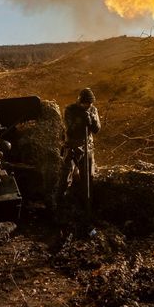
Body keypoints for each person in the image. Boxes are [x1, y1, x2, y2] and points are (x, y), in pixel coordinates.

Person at [59, 88, 101, 217]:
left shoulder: (93, 110)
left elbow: (97, 129)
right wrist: (80, 121)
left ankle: (87, 207)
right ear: (79, 101)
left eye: (90, 104)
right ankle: (61, 206)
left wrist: (92, 120)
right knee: (65, 177)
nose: (88, 106)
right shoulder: (70, 110)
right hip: (71, 147)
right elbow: (69, 131)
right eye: (85, 103)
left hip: (87, 147)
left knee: (88, 178)